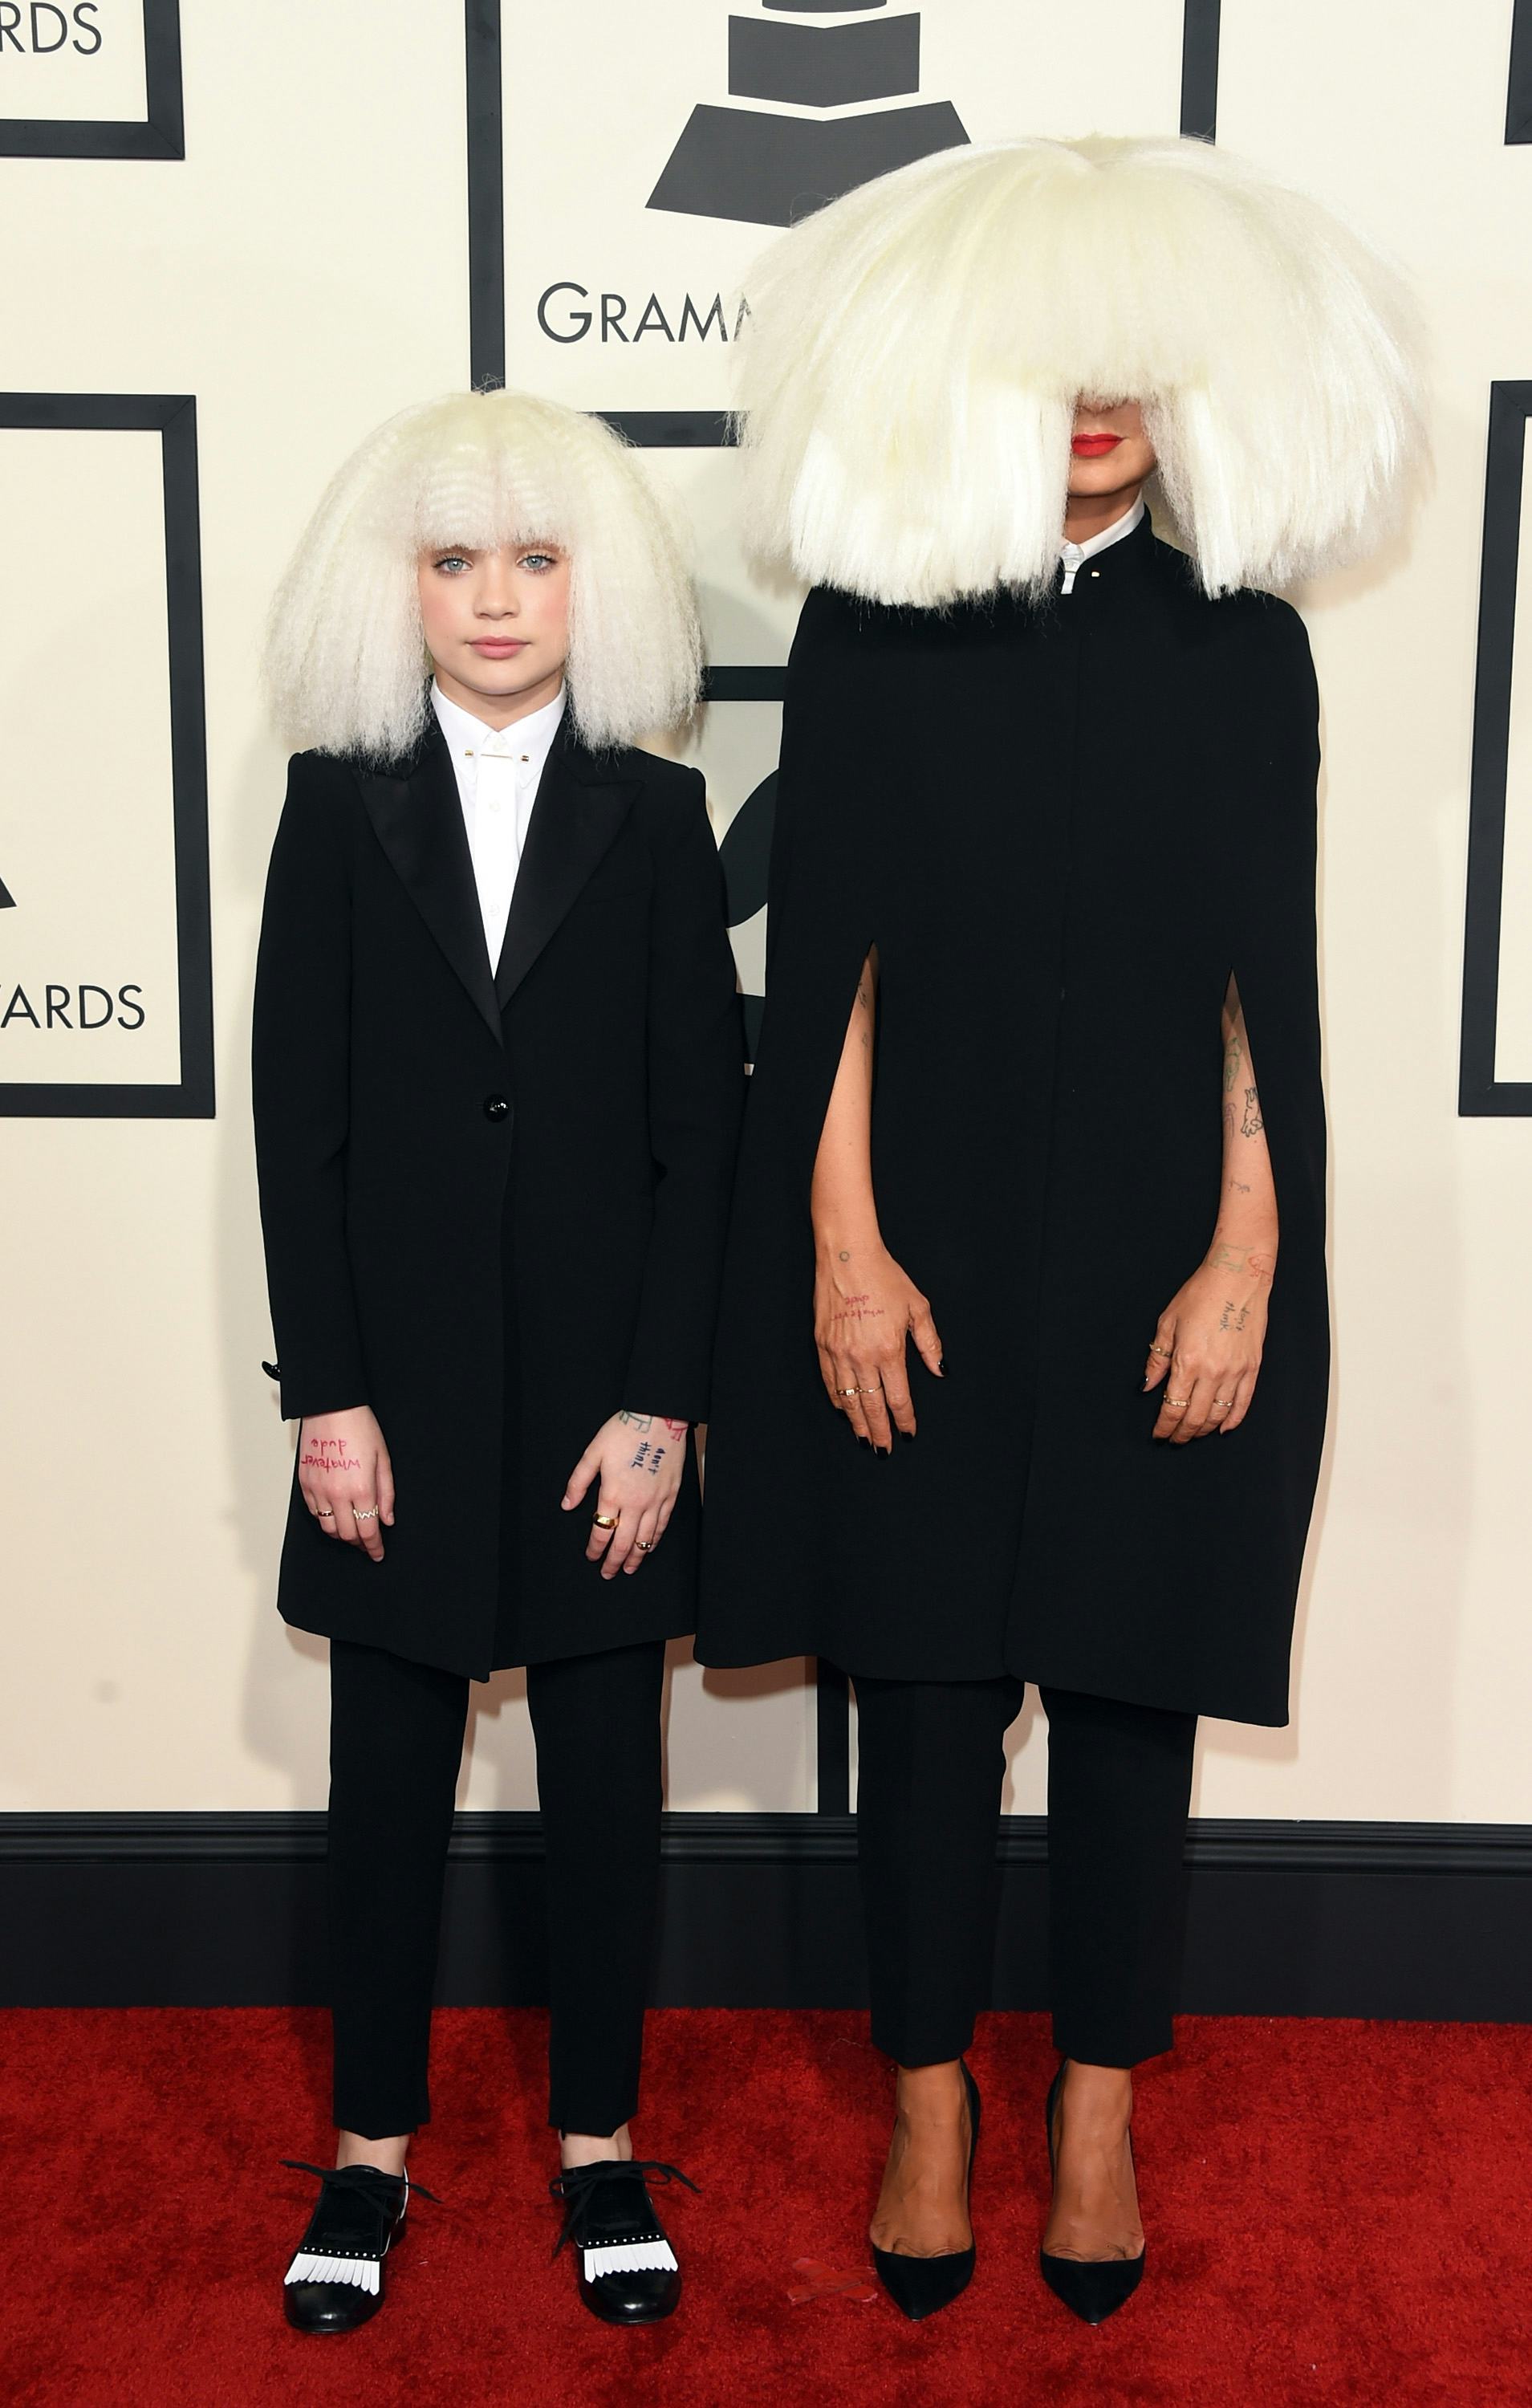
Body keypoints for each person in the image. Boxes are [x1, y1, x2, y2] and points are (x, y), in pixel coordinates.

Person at [698, 135, 1422, 2324]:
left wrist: (1245, 1260)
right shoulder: (869, 631)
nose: (1094, 404)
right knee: (919, 1696)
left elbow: (1263, 994)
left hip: (1150, 1258)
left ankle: (1094, 2112)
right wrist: (840, 1250)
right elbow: (823, 976)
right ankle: (928, 2106)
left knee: (1129, 1694)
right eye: (1052, 361)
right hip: (910, 1248)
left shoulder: (1245, 650)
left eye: (1130, 364)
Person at [253, 388, 745, 2333]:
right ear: (396, 585)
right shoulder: (331, 803)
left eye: (534, 559)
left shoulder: (657, 814)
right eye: (454, 559)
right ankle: (368, 2155)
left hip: (602, 1405)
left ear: (589, 584)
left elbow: (701, 1134)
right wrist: (327, 1397)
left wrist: (662, 1403)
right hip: (394, 1397)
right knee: (385, 1782)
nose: (492, 599)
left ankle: (599, 2147)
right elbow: (299, 1126)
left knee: (605, 1782)